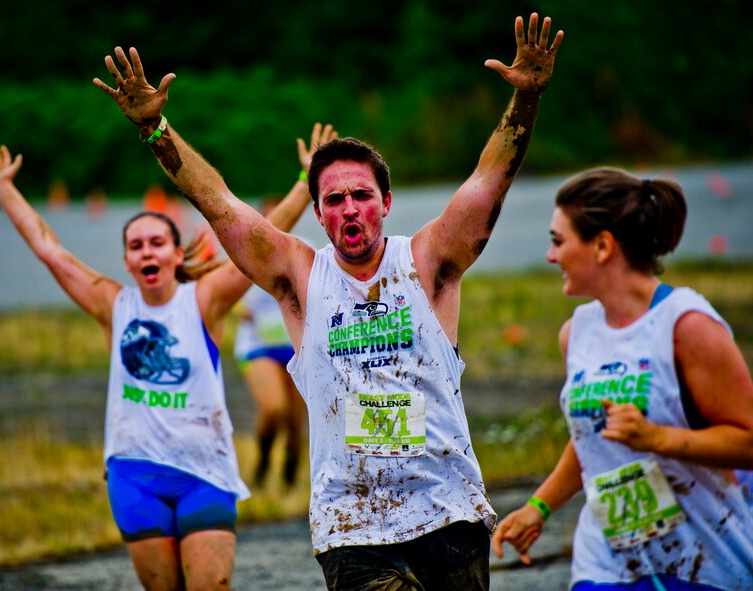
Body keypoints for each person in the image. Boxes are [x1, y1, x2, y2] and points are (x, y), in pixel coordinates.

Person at [94, 12, 561, 589]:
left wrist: (528, 101)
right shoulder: (300, 276)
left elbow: (490, 182)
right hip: (352, 526)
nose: (349, 209)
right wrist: (155, 129)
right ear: (317, 212)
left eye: (361, 195)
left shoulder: (428, 262)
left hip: (448, 511)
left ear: (385, 202)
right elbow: (216, 202)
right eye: (334, 199)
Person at [0, 122, 335, 591]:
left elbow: (260, 241)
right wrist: (5, 191)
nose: (147, 251)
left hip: (203, 471)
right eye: (136, 245)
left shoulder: (204, 301)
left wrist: (305, 180)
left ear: (173, 253)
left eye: (156, 242)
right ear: (126, 260)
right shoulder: (113, 304)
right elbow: (50, 250)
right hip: (134, 472)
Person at [492, 167, 753, 590]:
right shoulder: (575, 333)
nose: (550, 256)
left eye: (558, 241)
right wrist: (539, 507)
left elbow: (749, 441)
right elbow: (593, 440)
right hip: (607, 565)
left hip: (703, 560)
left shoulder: (686, 325)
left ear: (602, 246)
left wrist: (657, 438)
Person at [233, 197, 312, 488]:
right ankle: (263, 460)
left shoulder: (304, 251)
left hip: (296, 346)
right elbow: (233, 301)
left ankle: (289, 478)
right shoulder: (243, 254)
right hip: (258, 346)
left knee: (295, 422)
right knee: (273, 408)